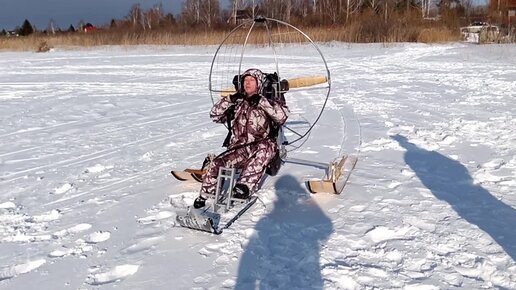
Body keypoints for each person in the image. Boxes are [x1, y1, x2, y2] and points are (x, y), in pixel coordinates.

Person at [193, 68, 289, 208]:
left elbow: (282, 117)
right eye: (245, 80)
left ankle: (243, 187)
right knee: (217, 163)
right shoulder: (237, 102)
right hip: (239, 148)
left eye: (251, 80)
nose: (247, 83)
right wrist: (229, 100)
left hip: (261, 146)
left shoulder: (267, 101)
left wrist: (262, 101)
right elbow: (214, 115)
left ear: (259, 83)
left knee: (266, 148)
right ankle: (205, 196)